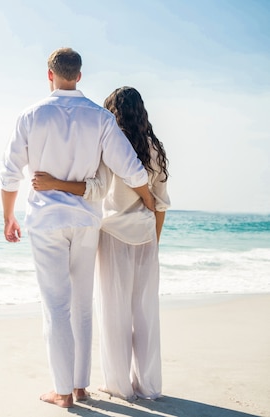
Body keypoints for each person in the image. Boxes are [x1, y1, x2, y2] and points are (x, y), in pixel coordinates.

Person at [0, 47, 155, 409]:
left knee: (56, 307)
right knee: (83, 305)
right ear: (79, 75)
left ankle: (63, 391)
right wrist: (148, 199)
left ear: (49, 74)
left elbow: (10, 172)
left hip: (47, 221)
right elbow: (130, 168)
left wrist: (8, 216)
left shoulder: (31, 115)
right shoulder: (100, 117)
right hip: (86, 221)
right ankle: (81, 385)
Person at [32, 87, 170, 401]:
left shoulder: (109, 145)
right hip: (146, 236)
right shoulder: (155, 149)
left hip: (112, 235)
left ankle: (119, 384)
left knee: (114, 313)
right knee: (146, 312)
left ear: (113, 113)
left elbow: (95, 190)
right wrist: (154, 242)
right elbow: (160, 204)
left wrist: (53, 183)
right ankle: (149, 386)